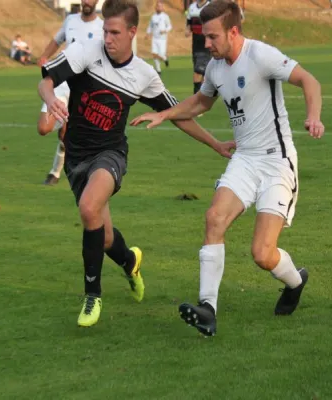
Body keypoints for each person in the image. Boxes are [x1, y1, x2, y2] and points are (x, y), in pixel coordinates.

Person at [130, 0, 324, 337]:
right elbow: (201, 103)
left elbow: (309, 81)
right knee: (214, 218)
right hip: (245, 159)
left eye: (212, 37)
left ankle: (295, 281)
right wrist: (164, 113)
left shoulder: (259, 55)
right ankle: (208, 308)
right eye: (204, 37)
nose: (206, 44)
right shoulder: (216, 68)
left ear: (233, 32)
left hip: (276, 160)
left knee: (262, 254)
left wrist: (313, 116)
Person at [39, 0, 235, 327]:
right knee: (101, 236)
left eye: (115, 32)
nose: (108, 38)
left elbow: (179, 114)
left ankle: (92, 295)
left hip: (110, 155)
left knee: (89, 208)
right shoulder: (85, 52)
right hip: (76, 158)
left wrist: (215, 143)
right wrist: (51, 101)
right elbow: (46, 81)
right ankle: (130, 262)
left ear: (132, 32)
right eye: (105, 30)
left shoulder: (143, 74)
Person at [37, 0, 104, 186]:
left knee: (68, 136)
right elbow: (56, 40)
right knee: (44, 128)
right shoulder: (70, 20)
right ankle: (67, 125)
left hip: (84, 87)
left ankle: (55, 173)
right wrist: (44, 56)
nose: (86, 2)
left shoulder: (102, 27)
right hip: (61, 82)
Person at [186, 0, 211, 95]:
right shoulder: (192, 7)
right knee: (201, 72)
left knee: (198, 72)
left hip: (205, 44)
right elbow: (188, 22)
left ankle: (196, 96)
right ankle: (203, 96)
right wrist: (187, 29)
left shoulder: (210, 6)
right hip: (195, 44)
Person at [145, 0, 172, 74]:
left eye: (160, 6)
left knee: (160, 54)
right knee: (154, 54)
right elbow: (150, 26)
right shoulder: (153, 17)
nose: (158, 7)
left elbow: (169, 26)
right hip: (155, 38)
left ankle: (165, 59)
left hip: (162, 39)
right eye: (157, 6)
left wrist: (165, 30)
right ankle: (158, 70)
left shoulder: (165, 16)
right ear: (155, 7)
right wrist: (148, 33)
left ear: (162, 7)